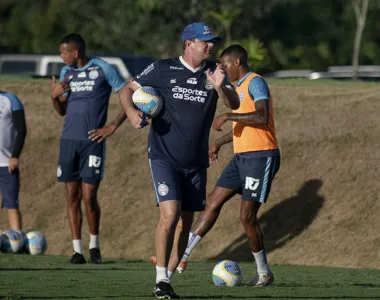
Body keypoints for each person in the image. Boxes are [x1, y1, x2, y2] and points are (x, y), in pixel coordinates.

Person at [121, 23, 240, 299]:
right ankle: (160, 278)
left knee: (186, 223)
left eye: (212, 42)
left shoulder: (214, 72)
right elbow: (126, 90)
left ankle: (165, 282)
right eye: (205, 41)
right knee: (170, 214)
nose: (210, 46)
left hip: (196, 162)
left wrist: (220, 87)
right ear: (189, 43)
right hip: (164, 156)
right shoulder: (162, 69)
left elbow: (233, 104)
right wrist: (130, 113)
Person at [174, 44, 281, 287]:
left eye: (225, 65)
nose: (222, 69)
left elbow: (262, 116)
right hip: (241, 158)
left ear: (238, 62)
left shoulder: (255, 82)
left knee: (246, 217)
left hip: (261, 157)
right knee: (211, 202)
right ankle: (182, 256)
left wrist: (228, 116)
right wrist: (220, 143)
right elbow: (244, 126)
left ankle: (264, 273)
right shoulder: (236, 88)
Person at [51, 33, 128, 264]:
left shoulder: (104, 68)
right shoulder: (67, 73)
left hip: (92, 142)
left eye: (64, 52)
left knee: (89, 195)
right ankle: (77, 250)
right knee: (71, 195)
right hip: (68, 141)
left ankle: (94, 245)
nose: (61, 56)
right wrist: (54, 97)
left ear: (75, 53)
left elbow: (127, 94)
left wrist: (112, 125)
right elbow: (61, 110)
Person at [0, 91, 27, 233]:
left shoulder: (10, 99)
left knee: (12, 204)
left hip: (6, 164)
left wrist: (15, 156)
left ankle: (17, 240)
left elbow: (21, 130)